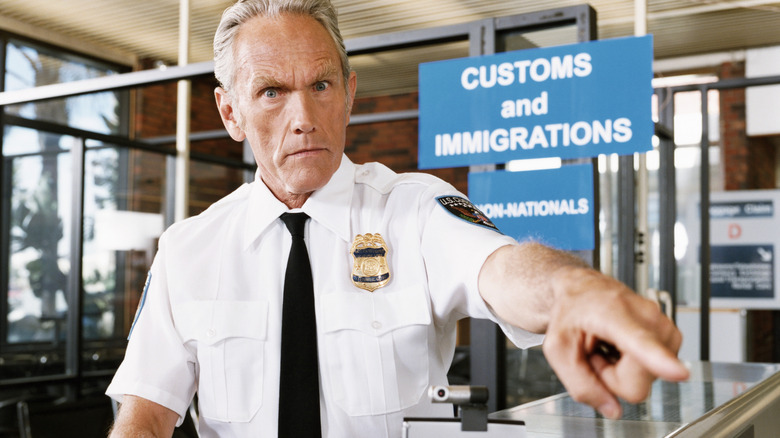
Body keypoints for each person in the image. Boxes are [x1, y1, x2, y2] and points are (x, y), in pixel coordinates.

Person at [106, 0, 689, 436]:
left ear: (350, 94)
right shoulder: (189, 250)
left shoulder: (412, 211)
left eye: (322, 85)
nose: (304, 116)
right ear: (230, 111)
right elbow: (148, 414)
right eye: (272, 93)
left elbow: (500, 267)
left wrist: (574, 291)